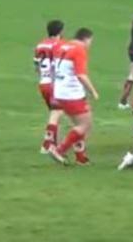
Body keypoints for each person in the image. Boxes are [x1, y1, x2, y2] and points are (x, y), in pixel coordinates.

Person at [47, 28, 99, 166]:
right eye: (91, 41)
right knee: (85, 125)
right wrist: (93, 91)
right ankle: (59, 150)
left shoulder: (61, 45)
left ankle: (80, 158)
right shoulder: (79, 49)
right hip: (71, 93)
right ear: (86, 39)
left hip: (60, 91)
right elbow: (81, 75)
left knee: (78, 125)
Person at [34, 20, 65, 153]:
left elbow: (36, 65)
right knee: (56, 113)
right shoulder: (60, 46)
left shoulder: (40, 45)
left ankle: (53, 143)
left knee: (54, 113)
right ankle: (47, 144)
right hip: (55, 85)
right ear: (61, 31)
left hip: (43, 83)